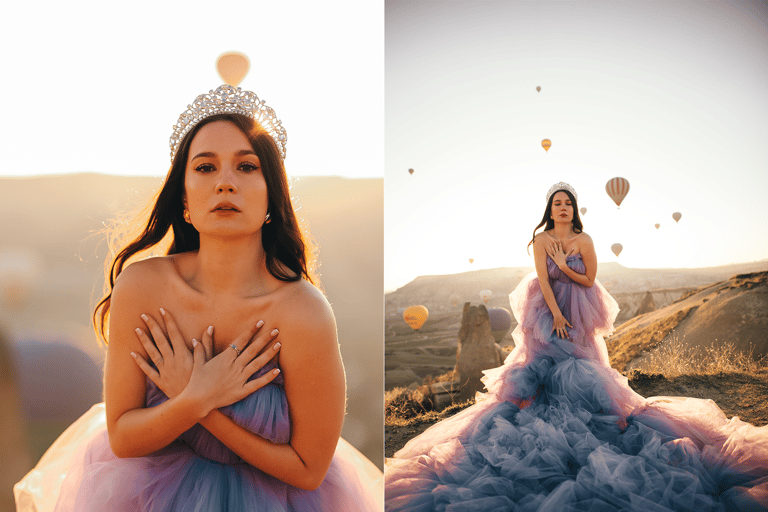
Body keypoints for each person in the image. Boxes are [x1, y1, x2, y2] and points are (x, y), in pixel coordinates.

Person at [15, 85, 383, 511]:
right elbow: (122, 437)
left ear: (271, 197)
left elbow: (307, 469)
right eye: (206, 168)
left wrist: (201, 403)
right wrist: (195, 397)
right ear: (184, 197)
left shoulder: (302, 311)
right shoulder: (142, 287)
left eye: (246, 167)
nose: (225, 182)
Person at [385, 182, 768, 511]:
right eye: (557, 203)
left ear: (574, 209)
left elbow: (589, 281)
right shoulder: (540, 239)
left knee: (584, 373)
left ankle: (594, 423)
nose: (563, 208)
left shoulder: (584, 240)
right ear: (549, 210)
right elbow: (542, 280)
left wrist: (564, 266)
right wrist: (556, 316)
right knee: (544, 375)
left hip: (580, 310)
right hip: (547, 313)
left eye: (568, 203)